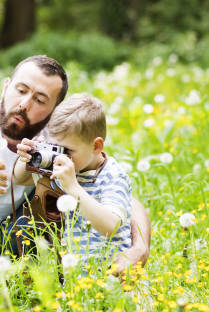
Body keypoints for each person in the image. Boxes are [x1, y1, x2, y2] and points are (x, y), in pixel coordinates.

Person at [0, 55, 150, 283]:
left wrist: (139, 248)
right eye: (20, 90)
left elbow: (120, 194)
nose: (24, 104)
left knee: (23, 285)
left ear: (54, 112)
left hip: (21, 233)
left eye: (40, 100)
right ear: (5, 87)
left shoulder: (63, 136)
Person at [13, 93, 132, 266]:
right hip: (74, 275)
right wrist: (26, 157)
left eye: (67, 150)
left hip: (113, 275)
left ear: (96, 146)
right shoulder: (64, 166)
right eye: (55, 147)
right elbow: (19, 179)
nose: (60, 156)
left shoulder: (112, 176)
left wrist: (73, 187)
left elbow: (111, 227)